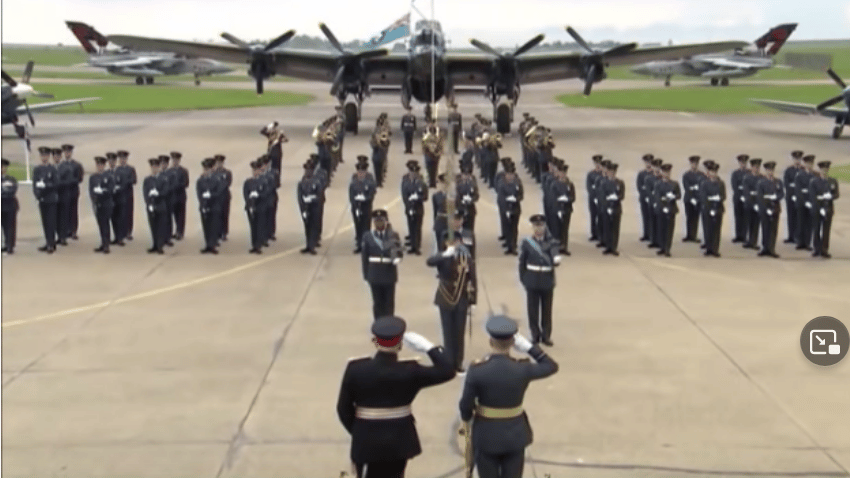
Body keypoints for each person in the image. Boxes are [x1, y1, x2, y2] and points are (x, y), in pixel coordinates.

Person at [337, 316, 455, 478]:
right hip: (399, 441)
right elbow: (447, 371)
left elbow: (343, 409)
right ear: (400, 344)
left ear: (375, 341)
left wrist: (360, 431)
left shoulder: (356, 369)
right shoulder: (411, 371)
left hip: (366, 441)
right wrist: (430, 348)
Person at [459, 315, 559, 478]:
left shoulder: (477, 370)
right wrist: (530, 348)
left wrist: (467, 419)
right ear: (513, 343)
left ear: (490, 342)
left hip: (486, 435)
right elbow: (551, 366)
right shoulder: (522, 369)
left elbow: (465, 405)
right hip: (515, 434)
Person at [427, 230, 476, 372]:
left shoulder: (466, 257)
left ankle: (458, 362)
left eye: (455, 241)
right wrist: (445, 254)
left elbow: (473, 278)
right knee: (448, 332)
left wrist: (473, 300)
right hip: (445, 297)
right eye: (449, 241)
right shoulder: (442, 257)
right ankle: (449, 362)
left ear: (459, 242)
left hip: (461, 297)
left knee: (459, 332)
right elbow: (430, 262)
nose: (452, 244)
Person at [519, 215, 561, 346]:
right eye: (536, 226)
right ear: (533, 228)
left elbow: (555, 256)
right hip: (532, 280)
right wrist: (524, 280)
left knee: (546, 310)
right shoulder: (527, 243)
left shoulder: (552, 243)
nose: (538, 229)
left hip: (546, 280)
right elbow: (522, 264)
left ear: (545, 227)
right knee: (532, 310)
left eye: (541, 226)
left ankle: (546, 335)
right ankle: (535, 335)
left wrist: (556, 259)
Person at [361, 209, 403, 319]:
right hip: (374, 273)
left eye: (381, 221)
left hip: (388, 273)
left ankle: (389, 325)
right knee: (377, 303)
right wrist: (366, 275)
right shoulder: (368, 236)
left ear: (386, 221)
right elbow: (364, 258)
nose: (379, 223)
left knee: (389, 303)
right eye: (376, 221)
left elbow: (399, 253)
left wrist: (396, 256)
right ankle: (378, 325)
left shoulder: (393, 235)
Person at [810, 161, 839, 259]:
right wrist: (820, 207)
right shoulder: (814, 181)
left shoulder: (833, 181)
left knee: (826, 230)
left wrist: (831, 196)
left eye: (826, 169)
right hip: (817, 208)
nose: (824, 171)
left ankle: (824, 249)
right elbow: (812, 196)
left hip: (828, 208)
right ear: (820, 170)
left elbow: (837, 194)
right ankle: (816, 249)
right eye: (823, 169)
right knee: (816, 229)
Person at [32, 146, 59, 253]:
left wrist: (46, 185)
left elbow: (56, 184)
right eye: (42, 155)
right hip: (42, 199)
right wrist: (37, 195)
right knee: (45, 222)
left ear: (48, 156)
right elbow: (34, 184)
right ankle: (48, 242)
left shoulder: (52, 169)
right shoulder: (37, 169)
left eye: (46, 155)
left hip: (51, 199)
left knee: (51, 222)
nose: (44, 157)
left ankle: (51, 243)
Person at [756, 161, 784, 258]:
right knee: (765, 228)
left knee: (773, 229)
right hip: (765, 209)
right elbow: (760, 197)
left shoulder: (778, 182)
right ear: (766, 171)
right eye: (768, 170)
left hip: (775, 208)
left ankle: (771, 248)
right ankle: (765, 248)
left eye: (771, 170)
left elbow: (782, 194)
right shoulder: (761, 182)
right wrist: (766, 208)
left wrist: (776, 197)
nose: (770, 172)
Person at [698, 161, 725, 257]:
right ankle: (709, 249)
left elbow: (723, 196)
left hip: (718, 209)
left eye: (715, 172)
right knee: (707, 229)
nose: (713, 174)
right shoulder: (704, 184)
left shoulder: (721, 183)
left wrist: (716, 200)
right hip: (707, 209)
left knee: (716, 230)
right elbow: (703, 197)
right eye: (712, 172)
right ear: (709, 173)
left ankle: (715, 249)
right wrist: (713, 202)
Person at [653, 163, 681, 257]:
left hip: (671, 209)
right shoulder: (658, 184)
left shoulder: (674, 184)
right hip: (661, 209)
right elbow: (657, 197)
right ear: (662, 172)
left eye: (668, 172)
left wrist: (673, 196)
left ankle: (667, 249)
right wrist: (663, 206)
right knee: (661, 229)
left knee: (669, 230)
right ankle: (662, 247)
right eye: (665, 172)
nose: (666, 174)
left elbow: (679, 195)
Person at [197, 158, 224, 254]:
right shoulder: (200, 180)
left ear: (211, 169)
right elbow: (199, 194)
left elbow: (219, 192)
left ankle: (212, 245)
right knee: (206, 227)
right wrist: (203, 204)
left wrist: (210, 195)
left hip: (214, 206)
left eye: (207, 169)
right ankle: (207, 245)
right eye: (204, 169)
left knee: (213, 227)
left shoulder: (217, 179)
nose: (205, 171)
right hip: (204, 206)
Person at [401, 160, 428, 255]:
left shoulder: (421, 183)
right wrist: (409, 207)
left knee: (417, 228)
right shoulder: (406, 183)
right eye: (411, 173)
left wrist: (418, 198)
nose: (413, 175)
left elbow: (425, 197)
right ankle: (412, 245)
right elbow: (404, 196)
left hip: (418, 208)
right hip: (409, 208)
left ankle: (417, 246)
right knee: (411, 227)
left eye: (414, 173)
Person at [350, 157, 377, 253]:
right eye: (359, 172)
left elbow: (372, 192)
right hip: (356, 207)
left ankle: (366, 246)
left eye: (362, 172)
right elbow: (351, 195)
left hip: (366, 206)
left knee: (366, 227)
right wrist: (355, 205)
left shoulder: (369, 181)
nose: (360, 174)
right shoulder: (354, 182)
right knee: (358, 227)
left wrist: (365, 198)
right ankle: (359, 245)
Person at [89, 156, 115, 254]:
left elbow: (111, 189)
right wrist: (94, 201)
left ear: (104, 165)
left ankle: (106, 245)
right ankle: (103, 243)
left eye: (101, 165)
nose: (100, 167)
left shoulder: (109, 176)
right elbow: (91, 190)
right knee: (101, 225)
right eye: (98, 165)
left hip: (106, 203)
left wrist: (102, 191)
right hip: (98, 204)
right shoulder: (93, 177)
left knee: (105, 224)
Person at [496, 162, 523, 255]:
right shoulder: (502, 184)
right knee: (507, 228)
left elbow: (521, 195)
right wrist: (506, 209)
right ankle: (509, 246)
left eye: (512, 174)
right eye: (508, 174)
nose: (510, 176)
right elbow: (501, 198)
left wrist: (516, 198)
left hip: (515, 208)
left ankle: (513, 246)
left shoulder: (518, 183)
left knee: (514, 228)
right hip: (506, 208)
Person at [142, 158, 168, 254]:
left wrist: (158, 193)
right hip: (151, 206)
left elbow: (166, 191)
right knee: (153, 227)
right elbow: (145, 193)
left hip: (160, 206)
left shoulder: (163, 179)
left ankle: (160, 246)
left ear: (159, 167)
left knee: (160, 227)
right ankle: (155, 245)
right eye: (152, 167)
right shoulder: (147, 180)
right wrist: (148, 204)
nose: (154, 169)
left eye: (156, 167)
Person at [297, 161, 323, 255]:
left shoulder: (317, 182)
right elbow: (300, 197)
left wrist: (311, 198)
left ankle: (312, 246)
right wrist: (303, 209)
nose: (307, 172)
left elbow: (319, 195)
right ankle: (308, 245)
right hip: (306, 208)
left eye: (309, 170)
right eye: (306, 170)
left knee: (313, 227)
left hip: (314, 208)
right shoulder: (301, 183)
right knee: (307, 227)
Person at [601, 162, 625, 256]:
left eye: (613, 172)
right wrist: (607, 205)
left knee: (615, 228)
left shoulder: (620, 183)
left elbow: (622, 195)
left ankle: (614, 247)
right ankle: (608, 247)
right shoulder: (604, 183)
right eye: (610, 172)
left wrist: (616, 197)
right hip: (607, 208)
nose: (612, 173)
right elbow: (602, 196)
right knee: (607, 228)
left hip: (616, 207)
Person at [62, 144, 84, 240]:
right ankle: (66, 230)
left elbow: (80, 178)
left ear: (71, 153)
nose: (67, 154)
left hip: (73, 190)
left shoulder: (76, 165)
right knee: (65, 211)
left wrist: (70, 181)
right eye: (66, 152)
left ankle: (74, 230)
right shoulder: (61, 165)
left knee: (74, 211)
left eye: (69, 152)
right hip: (64, 191)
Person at [794, 154, 816, 251]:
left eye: (811, 163)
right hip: (801, 202)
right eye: (808, 163)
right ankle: (800, 242)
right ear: (805, 164)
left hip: (811, 202)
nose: (809, 165)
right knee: (800, 222)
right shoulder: (800, 175)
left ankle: (807, 243)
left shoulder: (815, 175)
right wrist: (804, 201)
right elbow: (798, 190)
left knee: (809, 223)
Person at [244, 160, 266, 254]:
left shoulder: (263, 181)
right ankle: (254, 245)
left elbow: (266, 192)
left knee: (259, 226)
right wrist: (249, 202)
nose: (255, 172)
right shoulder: (248, 182)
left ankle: (258, 245)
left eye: (256, 170)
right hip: (251, 207)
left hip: (260, 206)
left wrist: (258, 195)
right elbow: (245, 194)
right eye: (253, 170)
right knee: (253, 227)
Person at [106, 152, 127, 246]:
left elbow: (124, 184)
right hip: (111, 200)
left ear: (115, 161)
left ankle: (121, 238)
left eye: (113, 161)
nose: (111, 163)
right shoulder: (106, 173)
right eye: (110, 161)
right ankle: (116, 237)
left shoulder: (121, 172)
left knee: (120, 219)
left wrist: (117, 188)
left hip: (120, 199)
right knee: (113, 219)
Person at [783, 150, 804, 244]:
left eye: (799, 159)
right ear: (793, 159)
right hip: (790, 197)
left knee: (800, 217)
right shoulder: (789, 170)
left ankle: (799, 237)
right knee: (791, 216)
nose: (797, 161)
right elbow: (786, 184)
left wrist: (795, 186)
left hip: (801, 197)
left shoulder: (803, 170)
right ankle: (791, 236)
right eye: (795, 159)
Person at [682, 155, 703, 243]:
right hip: (688, 199)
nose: (694, 165)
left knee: (695, 217)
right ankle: (688, 235)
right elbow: (687, 187)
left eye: (696, 164)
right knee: (689, 217)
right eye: (693, 163)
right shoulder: (686, 175)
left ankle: (694, 236)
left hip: (698, 199)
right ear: (690, 164)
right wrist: (694, 189)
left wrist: (696, 196)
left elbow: (702, 187)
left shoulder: (701, 175)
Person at [55, 147, 74, 245]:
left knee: (63, 217)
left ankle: (63, 237)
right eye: (55, 156)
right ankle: (58, 236)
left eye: (58, 156)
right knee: (56, 217)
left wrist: (56, 183)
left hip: (64, 195)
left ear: (60, 157)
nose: (56, 158)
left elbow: (68, 181)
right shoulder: (51, 168)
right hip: (54, 197)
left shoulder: (66, 167)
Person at [742, 158, 763, 250]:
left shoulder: (762, 178)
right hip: (749, 204)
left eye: (758, 167)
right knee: (748, 222)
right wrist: (753, 203)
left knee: (756, 224)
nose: (756, 169)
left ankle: (753, 242)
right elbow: (746, 192)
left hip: (759, 203)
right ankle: (749, 241)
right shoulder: (747, 178)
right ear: (751, 168)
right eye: (754, 167)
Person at [116, 150, 136, 241]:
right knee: (120, 214)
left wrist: (124, 182)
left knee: (128, 213)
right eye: (121, 159)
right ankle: (122, 232)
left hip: (128, 195)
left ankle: (128, 232)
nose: (122, 160)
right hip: (119, 195)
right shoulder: (117, 170)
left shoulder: (131, 169)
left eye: (124, 158)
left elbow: (134, 180)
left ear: (126, 159)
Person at [170, 151, 190, 240]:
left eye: (176, 160)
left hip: (181, 196)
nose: (175, 162)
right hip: (172, 196)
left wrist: (175, 185)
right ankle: (176, 231)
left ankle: (180, 232)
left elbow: (186, 183)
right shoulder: (169, 171)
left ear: (179, 160)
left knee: (181, 215)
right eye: (173, 160)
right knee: (174, 215)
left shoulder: (184, 171)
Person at [730, 154, 750, 243]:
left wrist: (745, 194)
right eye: (741, 163)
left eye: (744, 162)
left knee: (746, 217)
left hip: (747, 198)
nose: (743, 164)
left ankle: (744, 236)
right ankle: (738, 236)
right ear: (739, 163)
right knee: (738, 217)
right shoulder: (735, 173)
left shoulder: (749, 173)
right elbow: (734, 186)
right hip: (738, 198)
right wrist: (741, 195)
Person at [213, 155, 232, 242]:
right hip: (216, 197)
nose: (219, 164)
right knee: (216, 215)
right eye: (217, 162)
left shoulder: (227, 172)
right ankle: (217, 232)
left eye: (220, 162)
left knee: (225, 214)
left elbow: (228, 183)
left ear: (223, 163)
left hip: (224, 196)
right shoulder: (213, 172)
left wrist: (218, 188)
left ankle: (224, 233)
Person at [1, 159, 18, 255]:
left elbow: (12, 190)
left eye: (3, 167)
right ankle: (6, 244)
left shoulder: (11, 179)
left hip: (10, 205)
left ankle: (10, 246)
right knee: (4, 227)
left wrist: (2, 192)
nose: (2, 169)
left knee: (10, 226)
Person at [586, 155, 604, 242]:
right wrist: (594, 197)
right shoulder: (591, 174)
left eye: (599, 164)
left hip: (601, 199)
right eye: (596, 163)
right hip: (593, 199)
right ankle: (594, 234)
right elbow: (589, 187)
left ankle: (601, 234)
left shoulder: (604, 174)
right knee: (593, 216)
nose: (598, 165)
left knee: (601, 217)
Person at [637, 154, 654, 241]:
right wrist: (646, 192)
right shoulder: (641, 174)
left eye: (650, 162)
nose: (648, 164)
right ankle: (646, 234)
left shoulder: (654, 174)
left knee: (652, 217)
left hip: (652, 199)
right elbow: (639, 187)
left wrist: (647, 190)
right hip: (644, 198)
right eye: (647, 162)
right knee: (645, 217)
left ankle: (652, 235)